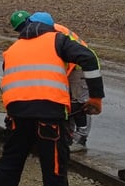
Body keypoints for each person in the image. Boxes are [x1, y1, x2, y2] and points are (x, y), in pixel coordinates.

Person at [0, 9, 104, 186]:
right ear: (50, 28)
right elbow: (89, 58)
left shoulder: (12, 50)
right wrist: (95, 98)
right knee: (54, 178)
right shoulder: (58, 40)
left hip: (16, 117)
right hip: (50, 120)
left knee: (9, 167)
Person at [29, 12, 96, 153]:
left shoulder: (55, 33)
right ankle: (68, 136)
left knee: (79, 103)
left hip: (80, 67)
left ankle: (81, 138)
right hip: (72, 68)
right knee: (68, 102)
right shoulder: (48, 32)